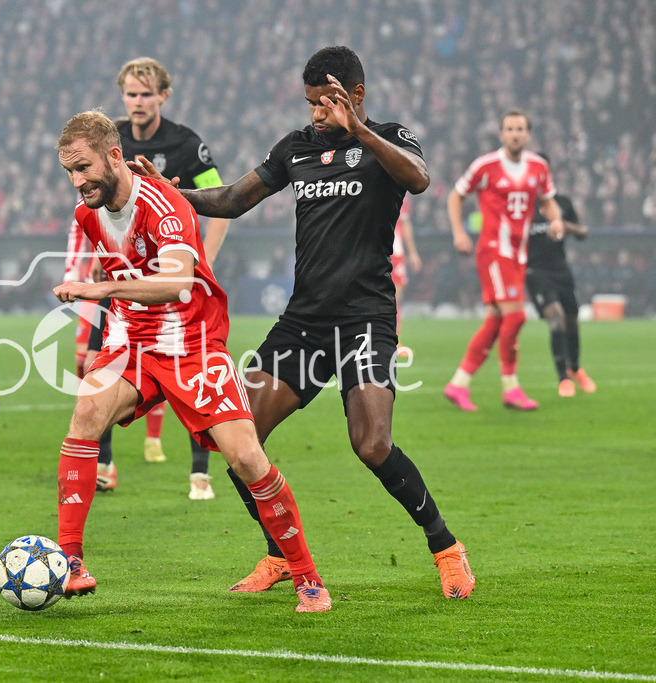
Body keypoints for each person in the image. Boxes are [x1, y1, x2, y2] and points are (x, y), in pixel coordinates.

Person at [131, 45, 475, 600]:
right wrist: (167, 193)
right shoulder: (297, 147)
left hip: (364, 320)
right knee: (239, 441)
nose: (316, 114)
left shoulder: (391, 139)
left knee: (372, 444)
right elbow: (235, 198)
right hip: (304, 322)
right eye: (311, 103)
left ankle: (446, 548)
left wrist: (359, 131)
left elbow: (419, 181)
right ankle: (281, 557)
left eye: (326, 103)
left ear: (355, 96)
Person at [53, 110, 330, 613]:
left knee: (246, 458)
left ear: (114, 156)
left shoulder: (165, 204)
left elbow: (177, 282)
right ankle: (71, 563)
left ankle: (307, 576)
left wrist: (97, 288)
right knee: (86, 415)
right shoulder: (86, 212)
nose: (78, 181)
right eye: (69, 171)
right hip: (132, 342)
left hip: (194, 342)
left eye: (84, 167)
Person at [65, 57, 231, 500]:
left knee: (196, 378)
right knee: (93, 369)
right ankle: (103, 464)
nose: (137, 102)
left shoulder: (186, 142)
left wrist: (201, 261)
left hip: (174, 277)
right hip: (124, 285)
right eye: (130, 94)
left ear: (162, 96)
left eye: (145, 94)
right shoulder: (107, 141)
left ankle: (200, 471)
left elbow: (218, 200)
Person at [444, 110, 564, 412]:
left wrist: (557, 220)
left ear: (528, 134)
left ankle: (458, 384)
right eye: (509, 128)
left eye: (520, 129)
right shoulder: (486, 166)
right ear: (501, 134)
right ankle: (511, 388)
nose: (515, 134)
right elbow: (455, 196)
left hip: (518, 253)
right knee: (517, 316)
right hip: (494, 251)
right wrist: (459, 232)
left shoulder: (538, 167)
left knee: (498, 321)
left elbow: (547, 200)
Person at [526, 161, 596, 397]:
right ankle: (563, 379)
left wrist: (566, 226)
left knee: (572, 322)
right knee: (555, 317)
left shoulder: (562, 203)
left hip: (561, 271)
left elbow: (584, 233)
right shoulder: (521, 204)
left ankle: (575, 368)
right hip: (536, 272)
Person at [392, 194, 422, 342]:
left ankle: (394, 340)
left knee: (395, 298)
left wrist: (413, 253)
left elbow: (405, 223)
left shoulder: (400, 190)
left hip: (395, 252)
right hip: (381, 251)